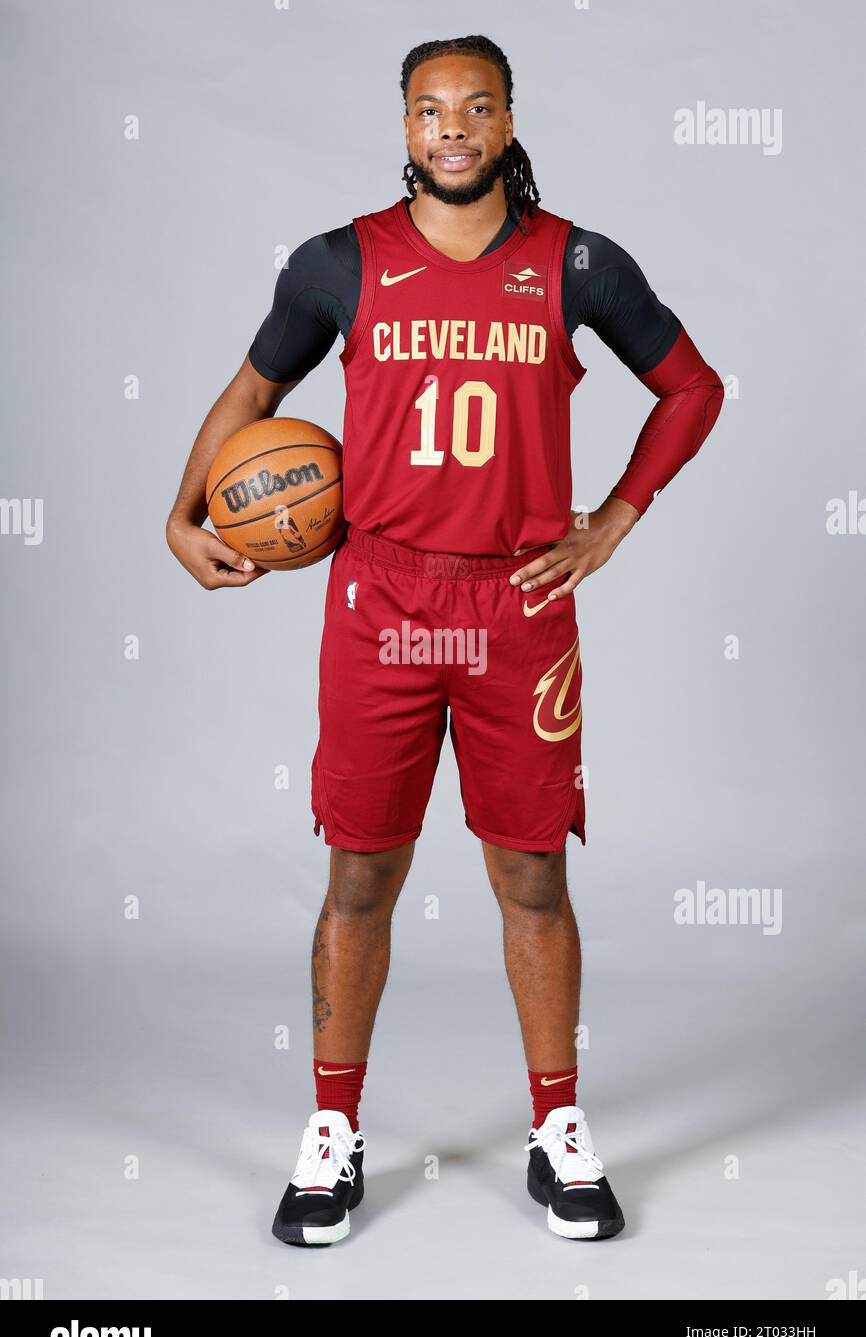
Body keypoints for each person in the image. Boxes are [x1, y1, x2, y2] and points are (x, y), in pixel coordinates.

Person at [166, 33, 724, 1247]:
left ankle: (557, 1127)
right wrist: (181, 508)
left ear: (510, 118)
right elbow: (249, 399)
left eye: (477, 105)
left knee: (531, 873)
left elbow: (692, 387)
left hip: (518, 606)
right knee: (359, 873)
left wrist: (616, 519)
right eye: (431, 109)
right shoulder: (336, 264)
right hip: (379, 600)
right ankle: (330, 1130)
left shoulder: (574, 262)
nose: (454, 127)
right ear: (404, 126)